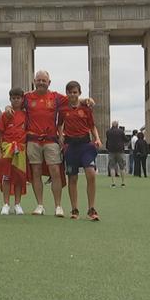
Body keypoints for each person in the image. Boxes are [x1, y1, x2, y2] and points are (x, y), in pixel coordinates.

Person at [15, 70, 92, 216]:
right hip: (33, 140)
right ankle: (40, 205)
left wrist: (86, 100)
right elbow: (16, 104)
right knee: (36, 172)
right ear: (34, 81)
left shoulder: (56, 97)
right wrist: (7, 108)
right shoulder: (27, 97)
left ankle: (58, 206)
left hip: (51, 139)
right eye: (39, 80)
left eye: (44, 80)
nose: (41, 83)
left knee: (55, 171)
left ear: (49, 82)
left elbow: (73, 99)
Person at [58, 81, 101, 220]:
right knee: (73, 177)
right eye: (70, 92)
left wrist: (98, 139)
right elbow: (59, 125)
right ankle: (74, 209)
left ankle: (91, 209)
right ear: (67, 93)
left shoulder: (86, 108)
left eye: (75, 92)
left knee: (91, 174)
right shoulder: (63, 110)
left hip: (86, 145)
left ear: (79, 93)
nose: (72, 95)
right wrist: (61, 137)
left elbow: (92, 126)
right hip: (71, 147)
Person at [0, 88, 28, 215]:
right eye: (13, 98)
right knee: (6, 177)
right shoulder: (5, 114)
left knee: (19, 177)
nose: (16, 100)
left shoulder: (26, 115)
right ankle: (6, 204)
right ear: (10, 99)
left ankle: (17, 204)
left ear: (22, 99)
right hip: (7, 149)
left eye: (18, 98)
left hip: (21, 149)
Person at [105, 121, 127, 188]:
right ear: (117, 125)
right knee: (122, 167)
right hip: (120, 151)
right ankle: (123, 183)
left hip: (111, 151)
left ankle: (113, 183)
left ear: (112, 125)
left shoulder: (108, 132)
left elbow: (108, 140)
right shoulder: (121, 131)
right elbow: (125, 139)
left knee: (112, 167)